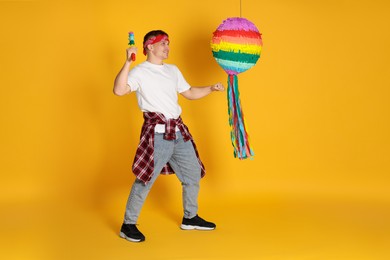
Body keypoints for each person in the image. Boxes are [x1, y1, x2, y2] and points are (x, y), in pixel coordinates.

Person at [113, 30, 224, 242]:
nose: (167, 47)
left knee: (192, 174)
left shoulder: (173, 70)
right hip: (157, 135)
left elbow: (189, 92)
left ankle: (190, 218)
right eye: (163, 43)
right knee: (145, 179)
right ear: (149, 46)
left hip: (179, 132)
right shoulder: (139, 72)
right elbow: (119, 90)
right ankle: (128, 225)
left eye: (168, 43)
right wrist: (128, 62)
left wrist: (211, 88)